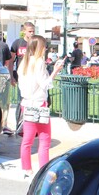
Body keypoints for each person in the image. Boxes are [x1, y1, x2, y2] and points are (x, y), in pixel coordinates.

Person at [17, 35, 66, 179]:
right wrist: (55, 71)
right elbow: (45, 84)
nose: (46, 48)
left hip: (26, 104)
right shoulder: (38, 62)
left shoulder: (24, 63)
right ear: (39, 48)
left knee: (27, 139)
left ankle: (26, 168)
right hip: (39, 104)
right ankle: (43, 170)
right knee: (45, 139)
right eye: (44, 46)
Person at [10, 21, 35, 134]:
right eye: (30, 31)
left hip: (34, 77)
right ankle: (19, 126)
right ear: (24, 31)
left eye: (33, 31)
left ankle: (32, 127)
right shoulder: (17, 43)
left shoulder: (36, 43)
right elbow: (11, 61)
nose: (32, 33)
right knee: (22, 101)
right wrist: (11, 75)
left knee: (34, 102)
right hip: (22, 77)